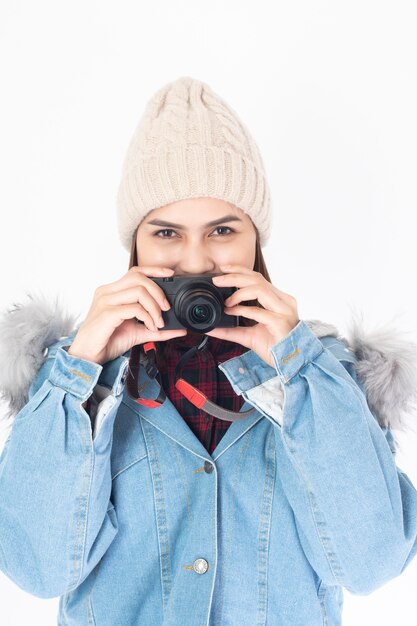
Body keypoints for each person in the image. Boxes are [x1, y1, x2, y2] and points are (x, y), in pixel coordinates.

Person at [1, 76, 417, 626]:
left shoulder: (324, 377)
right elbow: (37, 568)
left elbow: (371, 565)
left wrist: (302, 370)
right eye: (166, 233)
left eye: (222, 229)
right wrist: (82, 371)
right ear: (134, 244)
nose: (195, 262)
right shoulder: (78, 384)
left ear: (255, 240)